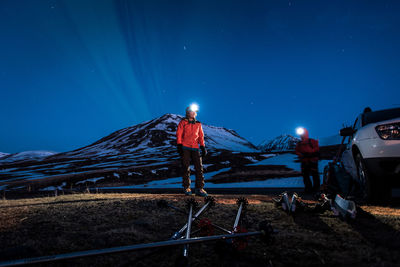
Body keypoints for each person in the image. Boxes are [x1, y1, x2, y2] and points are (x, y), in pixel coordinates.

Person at [176, 105, 208, 196]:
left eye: (195, 111)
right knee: (186, 167)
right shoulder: (183, 122)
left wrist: (202, 147)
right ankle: (186, 187)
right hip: (185, 147)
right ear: (187, 112)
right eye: (192, 111)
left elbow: (201, 136)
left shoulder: (198, 124)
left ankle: (199, 188)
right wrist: (179, 145)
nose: (194, 113)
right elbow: (179, 134)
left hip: (195, 148)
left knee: (199, 168)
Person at [295, 128, 320, 193]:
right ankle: (308, 188)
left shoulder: (312, 141)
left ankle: (316, 189)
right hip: (305, 161)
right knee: (305, 175)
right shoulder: (299, 143)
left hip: (312, 161)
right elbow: (297, 151)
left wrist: (309, 153)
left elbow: (317, 149)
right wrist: (302, 155)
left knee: (314, 175)